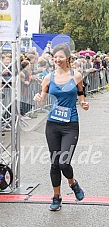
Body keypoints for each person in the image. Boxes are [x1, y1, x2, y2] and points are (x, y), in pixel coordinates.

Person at [33, 43, 89, 211]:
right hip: (53, 124)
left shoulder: (76, 75)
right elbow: (42, 100)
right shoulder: (48, 77)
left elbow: (80, 93)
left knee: (64, 162)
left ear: (68, 58)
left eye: (61, 57)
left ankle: (73, 184)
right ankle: (56, 197)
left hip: (70, 124)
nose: (57, 59)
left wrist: (84, 103)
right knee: (55, 163)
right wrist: (38, 98)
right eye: (55, 57)